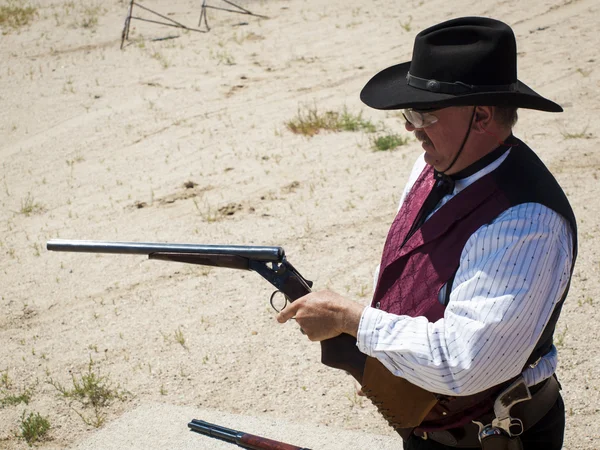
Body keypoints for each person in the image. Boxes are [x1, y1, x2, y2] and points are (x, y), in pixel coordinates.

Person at [276, 16, 576, 450]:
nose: (409, 127)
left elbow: (465, 363)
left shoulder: (527, 222)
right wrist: (392, 365)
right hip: (434, 428)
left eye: (422, 114)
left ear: (482, 117)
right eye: (408, 112)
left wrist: (351, 320)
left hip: (495, 438)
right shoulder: (435, 163)